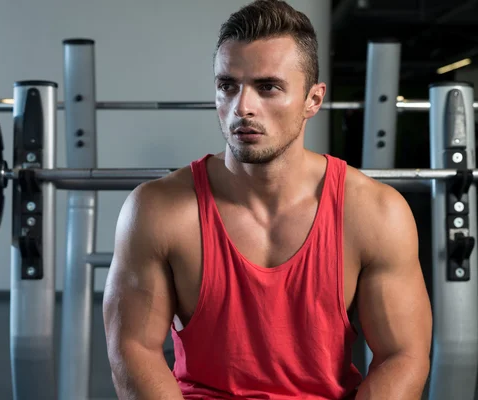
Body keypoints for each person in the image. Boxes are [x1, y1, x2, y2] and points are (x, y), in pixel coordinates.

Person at [102, 0, 433, 398]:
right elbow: (134, 349)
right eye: (228, 86)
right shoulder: (156, 210)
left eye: (268, 87)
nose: (242, 107)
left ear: (313, 100)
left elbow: (403, 356)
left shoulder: (375, 213)